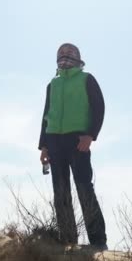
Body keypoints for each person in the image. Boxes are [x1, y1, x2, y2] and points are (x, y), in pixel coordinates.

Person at [38, 43, 108, 250]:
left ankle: (98, 241)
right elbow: (46, 115)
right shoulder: (53, 84)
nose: (64, 56)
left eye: (69, 53)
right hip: (54, 141)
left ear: (78, 58)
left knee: (84, 188)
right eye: (60, 53)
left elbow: (99, 108)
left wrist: (90, 135)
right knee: (60, 192)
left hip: (78, 141)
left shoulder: (87, 79)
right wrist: (43, 146)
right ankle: (68, 241)